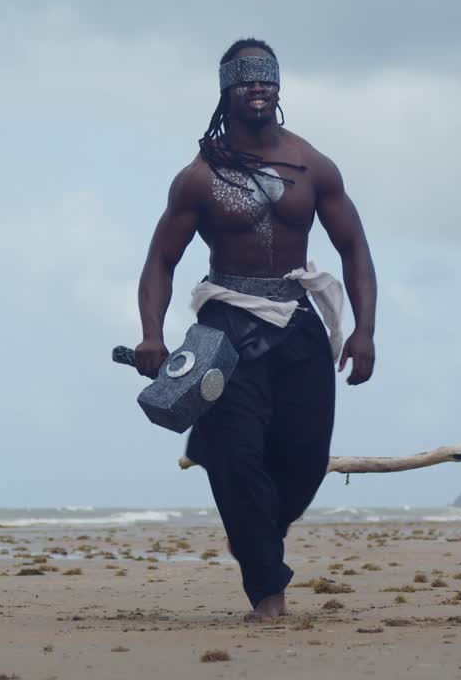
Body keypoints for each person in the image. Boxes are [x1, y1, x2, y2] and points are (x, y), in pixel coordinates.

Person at [133, 38, 378, 621]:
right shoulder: (200, 177)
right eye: (245, 80)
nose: (257, 87)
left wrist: (364, 331)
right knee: (236, 457)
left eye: (266, 77)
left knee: (306, 457)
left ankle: (254, 533)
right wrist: (151, 334)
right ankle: (268, 592)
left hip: (297, 323)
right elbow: (160, 261)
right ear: (226, 90)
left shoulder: (313, 165)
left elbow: (354, 248)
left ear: (279, 86)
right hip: (226, 330)